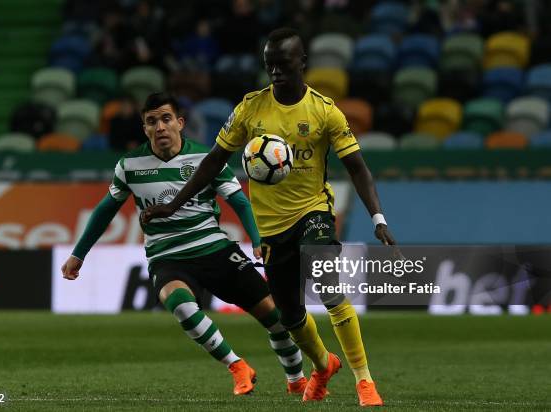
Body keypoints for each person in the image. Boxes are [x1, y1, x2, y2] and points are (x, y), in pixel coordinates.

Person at [142, 28, 394, 406]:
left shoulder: (325, 112)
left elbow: (358, 167)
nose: (275, 71)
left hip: (314, 212)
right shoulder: (249, 109)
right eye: (269, 65)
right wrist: (174, 204)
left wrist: (378, 217)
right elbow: (213, 160)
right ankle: (324, 366)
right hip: (272, 227)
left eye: (283, 64)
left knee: (328, 287)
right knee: (290, 316)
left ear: (302, 63)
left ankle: (364, 381)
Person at [62, 92, 308, 396]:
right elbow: (104, 211)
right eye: (152, 121)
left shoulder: (207, 158)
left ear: (180, 123)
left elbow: (239, 201)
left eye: (166, 119)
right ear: (145, 128)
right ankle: (237, 367)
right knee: (180, 305)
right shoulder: (129, 165)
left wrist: (257, 242)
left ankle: (296, 377)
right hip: (167, 257)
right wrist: (78, 255)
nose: (160, 127)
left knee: (273, 316)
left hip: (216, 250)